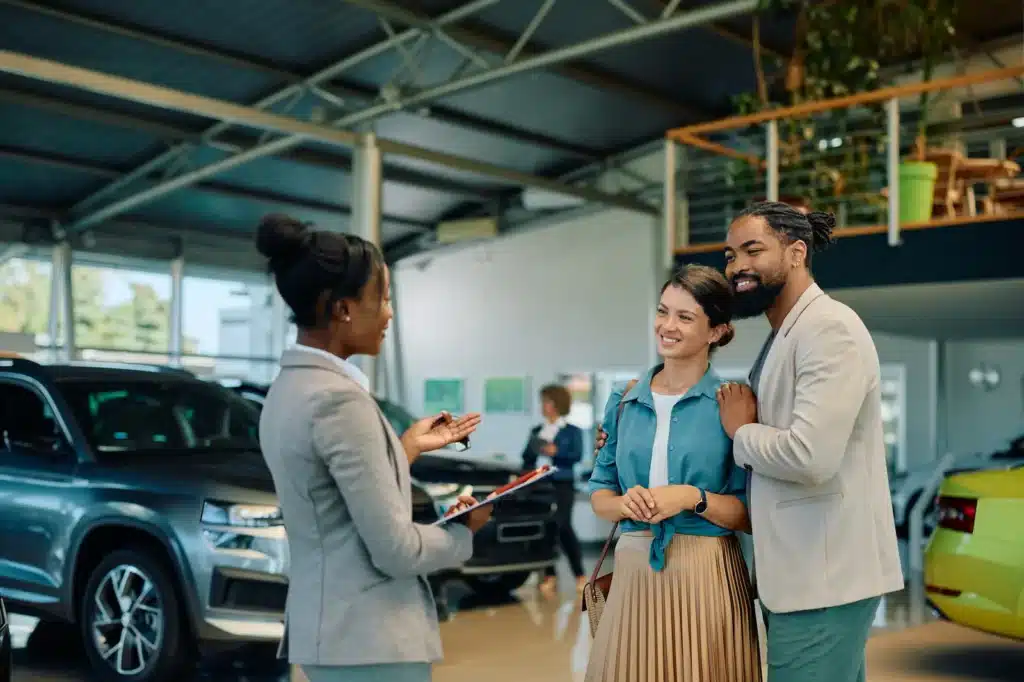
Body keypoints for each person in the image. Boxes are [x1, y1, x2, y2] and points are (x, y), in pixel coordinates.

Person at [255, 214, 492, 682]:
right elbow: (396, 551)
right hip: (371, 637)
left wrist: (403, 449)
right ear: (343, 309)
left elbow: (333, 503)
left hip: (328, 632)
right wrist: (464, 532)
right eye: (381, 298)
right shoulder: (341, 401)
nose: (388, 314)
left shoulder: (288, 390)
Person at [716, 201, 903, 682]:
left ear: (797, 252)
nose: (737, 266)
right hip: (800, 576)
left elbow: (810, 456)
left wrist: (741, 431)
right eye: (731, 255)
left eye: (752, 250)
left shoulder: (829, 328)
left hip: (824, 579)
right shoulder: (784, 334)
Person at [585, 264, 761, 682]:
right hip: (632, 574)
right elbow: (599, 493)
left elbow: (751, 513)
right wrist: (622, 503)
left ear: (716, 332)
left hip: (707, 573)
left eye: (685, 317)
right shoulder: (624, 399)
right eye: (663, 312)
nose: (667, 326)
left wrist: (689, 497)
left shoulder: (733, 404)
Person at [521, 384, 586, 594]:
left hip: (562, 484)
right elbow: (526, 457)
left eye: (547, 401)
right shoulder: (536, 431)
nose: (543, 406)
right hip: (540, 484)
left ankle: (580, 574)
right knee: (545, 527)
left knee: (563, 525)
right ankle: (550, 575)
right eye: (543, 402)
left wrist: (555, 452)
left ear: (557, 404)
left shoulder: (572, 431)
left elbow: (576, 456)